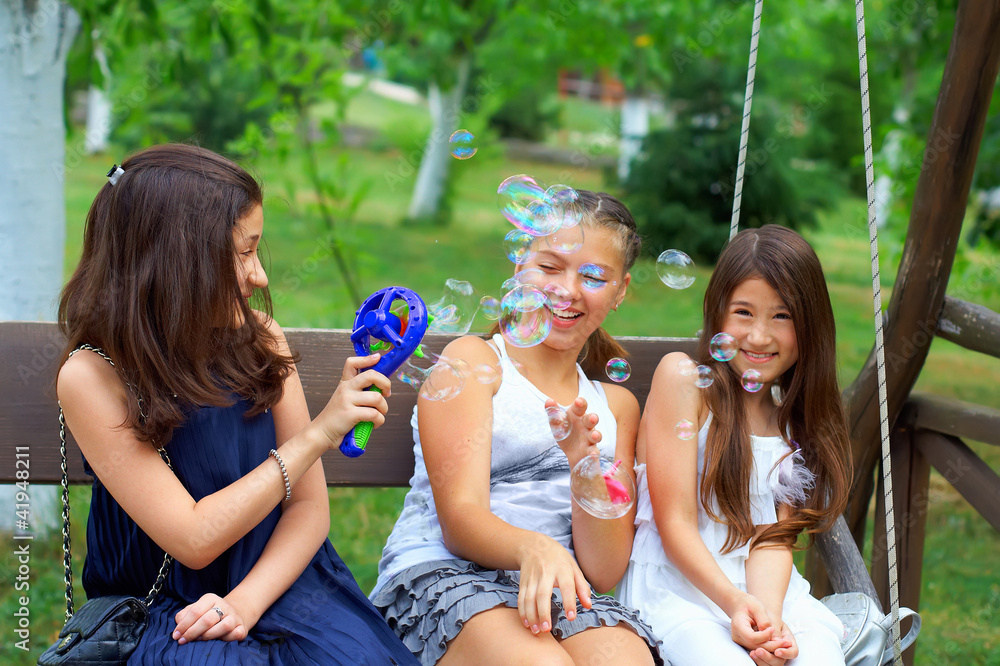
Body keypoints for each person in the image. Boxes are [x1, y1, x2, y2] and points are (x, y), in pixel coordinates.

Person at [56, 144, 419, 665]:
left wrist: (245, 603)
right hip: (164, 610)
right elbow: (193, 537)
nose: (260, 276)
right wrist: (318, 434)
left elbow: (310, 508)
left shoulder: (259, 340)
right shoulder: (92, 376)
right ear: (176, 262)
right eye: (244, 253)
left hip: (284, 581)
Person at [369, 191, 662, 666]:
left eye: (592, 276)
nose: (567, 290)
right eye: (549, 268)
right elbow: (459, 520)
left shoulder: (617, 408)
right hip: (445, 575)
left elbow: (603, 570)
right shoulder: (476, 363)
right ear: (519, 269)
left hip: (560, 588)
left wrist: (584, 466)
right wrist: (535, 548)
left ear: (621, 290)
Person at [617, 225, 852, 666]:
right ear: (718, 313)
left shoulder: (789, 423)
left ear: (810, 326)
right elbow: (675, 524)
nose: (759, 337)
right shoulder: (685, 381)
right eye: (743, 312)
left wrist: (768, 624)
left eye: (782, 316)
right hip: (680, 588)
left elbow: (771, 541)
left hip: (766, 595)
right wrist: (734, 604)